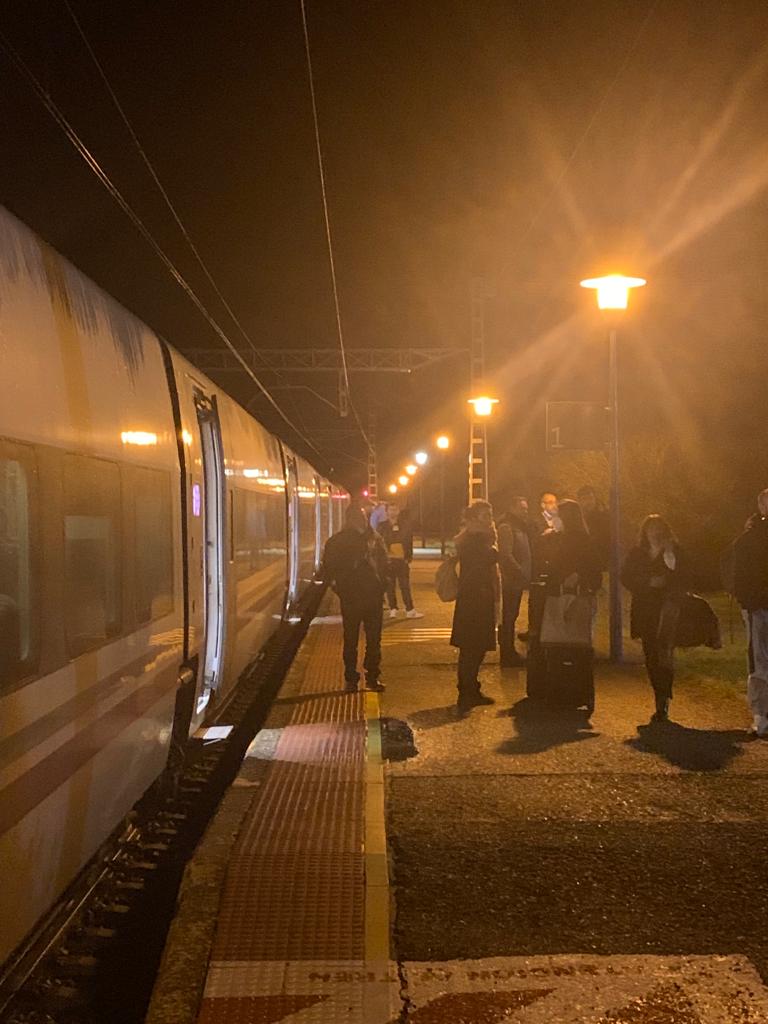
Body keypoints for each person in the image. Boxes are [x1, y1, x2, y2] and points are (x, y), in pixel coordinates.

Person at [621, 515, 688, 723]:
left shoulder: (674, 551)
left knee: (664, 653)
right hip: (644, 609)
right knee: (651, 655)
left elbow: (683, 575)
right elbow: (626, 577)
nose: (655, 533)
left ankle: (663, 699)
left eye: (659, 528)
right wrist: (647, 582)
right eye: (651, 529)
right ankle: (658, 693)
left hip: (666, 609)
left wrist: (668, 557)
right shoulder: (637, 553)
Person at [321, 505, 388, 693]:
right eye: (359, 517)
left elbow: (385, 564)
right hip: (359, 596)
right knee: (362, 639)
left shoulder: (371, 539)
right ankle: (360, 677)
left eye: (363, 517)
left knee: (364, 639)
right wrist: (342, 590)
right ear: (350, 519)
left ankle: (363, 677)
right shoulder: (351, 541)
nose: (363, 520)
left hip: (365, 597)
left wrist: (384, 584)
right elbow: (329, 570)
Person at [450, 500, 499, 714]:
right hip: (475, 598)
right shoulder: (474, 539)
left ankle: (470, 688)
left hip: (477, 597)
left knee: (474, 648)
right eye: (484, 515)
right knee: (472, 647)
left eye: (489, 515)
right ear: (473, 518)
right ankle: (467, 691)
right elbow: (489, 559)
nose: (489, 519)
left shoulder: (475, 537)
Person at [733, 489, 768, 739]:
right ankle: (761, 715)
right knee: (759, 661)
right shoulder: (750, 538)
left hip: (757, 604)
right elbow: (741, 574)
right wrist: (748, 600)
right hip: (759, 606)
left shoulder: (750, 536)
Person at [497, 496, 532, 667]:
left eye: (526, 509)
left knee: (512, 615)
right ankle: (507, 652)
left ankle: (509, 651)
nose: (525, 512)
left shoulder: (519, 526)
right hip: (511, 580)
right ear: (512, 508)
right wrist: (519, 571)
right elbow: (506, 553)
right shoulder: (507, 526)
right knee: (508, 616)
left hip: (517, 579)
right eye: (522, 509)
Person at [377, 503, 424, 619]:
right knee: (390, 586)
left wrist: (409, 556)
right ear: (386, 512)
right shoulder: (382, 526)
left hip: (402, 560)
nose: (393, 512)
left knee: (404, 585)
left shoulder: (404, 525)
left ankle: (410, 609)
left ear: (398, 511)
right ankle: (393, 608)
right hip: (388, 560)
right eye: (391, 509)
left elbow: (408, 541)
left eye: (395, 509)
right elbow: (379, 542)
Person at [576, 485, 610, 571]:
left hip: (600, 563)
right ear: (579, 501)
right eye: (584, 499)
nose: (589, 502)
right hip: (582, 564)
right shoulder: (576, 519)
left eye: (590, 498)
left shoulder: (604, 517)